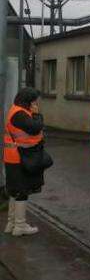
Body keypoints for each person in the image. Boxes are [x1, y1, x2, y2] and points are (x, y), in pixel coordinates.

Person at [4, 88, 46, 237]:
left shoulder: (16, 111)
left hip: (15, 156)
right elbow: (35, 128)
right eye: (34, 101)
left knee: (15, 190)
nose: (35, 103)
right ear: (28, 101)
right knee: (22, 190)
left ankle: (12, 223)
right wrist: (37, 114)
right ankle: (20, 225)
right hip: (20, 157)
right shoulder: (20, 114)